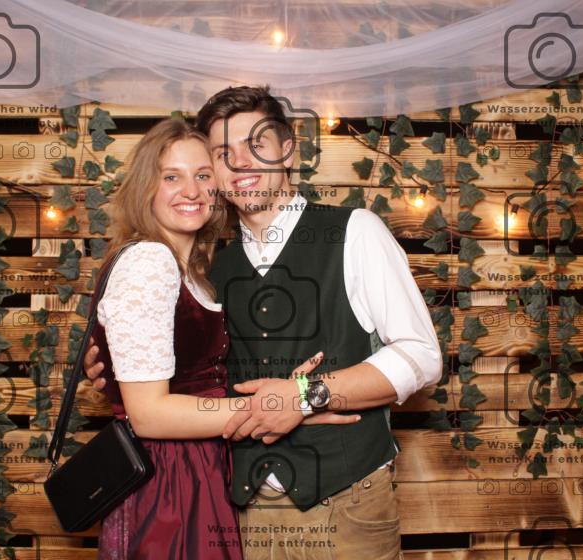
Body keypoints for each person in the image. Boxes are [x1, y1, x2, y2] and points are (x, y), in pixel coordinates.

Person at [86, 87, 442, 559]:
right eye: (223, 154)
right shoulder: (209, 269)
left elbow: (421, 356)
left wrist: (306, 396)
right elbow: (181, 372)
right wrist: (113, 366)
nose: (241, 163)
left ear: (288, 151)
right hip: (242, 511)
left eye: (256, 144)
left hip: (346, 503)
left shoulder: (354, 232)